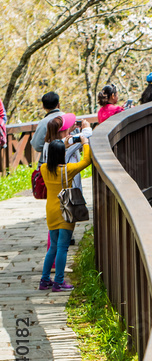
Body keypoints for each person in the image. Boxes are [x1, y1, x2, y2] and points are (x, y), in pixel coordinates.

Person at [38, 135, 91, 292]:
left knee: (53, 247)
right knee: (63, 247)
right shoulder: (68, 170)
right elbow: (86, 161)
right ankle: (59, 282)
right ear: (62, 154)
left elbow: (54, 158)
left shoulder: (44, 169)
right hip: (65, 210)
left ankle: (44, 280)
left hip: (51, 211)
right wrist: (85, 143)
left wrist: (64, 146)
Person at [30, 92, 64, 159]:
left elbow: (37, 145)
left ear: (43, 106)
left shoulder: (44, 122)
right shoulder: (69, 118)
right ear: (58, 105)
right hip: (72, 160)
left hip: (51, 160)